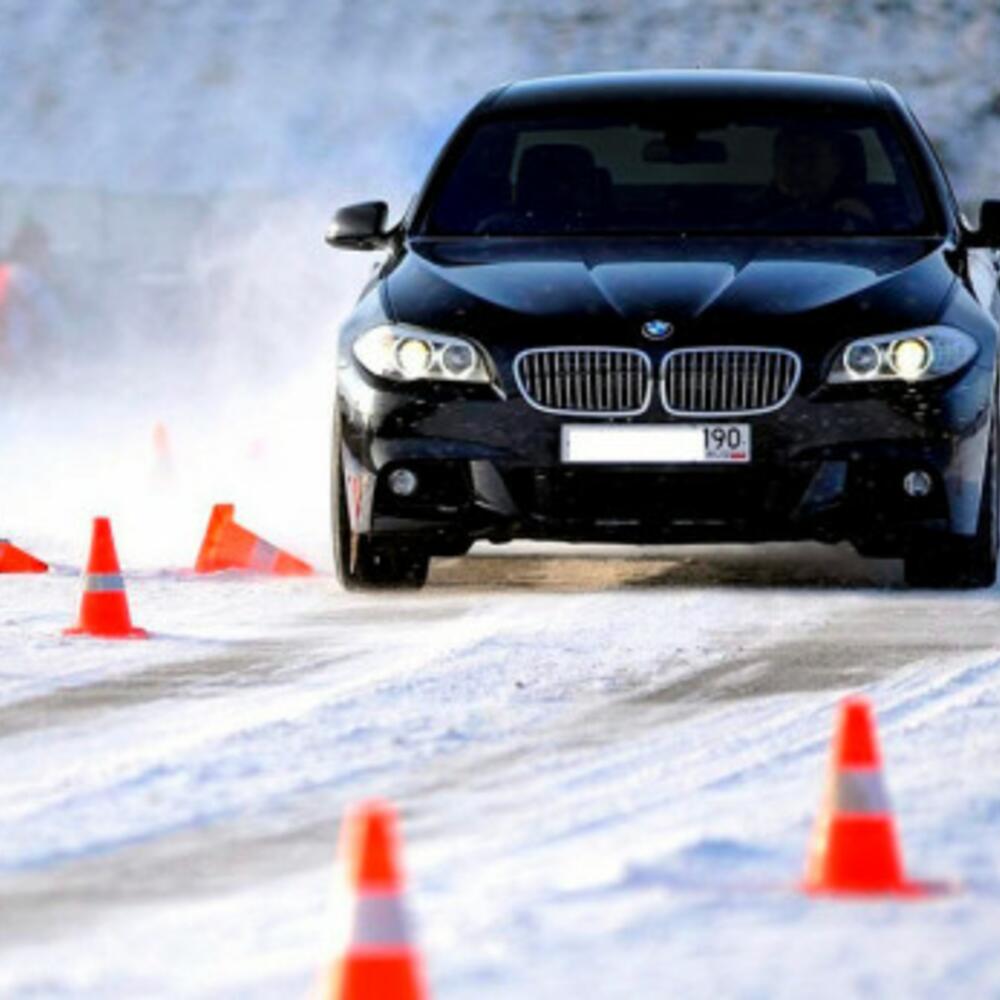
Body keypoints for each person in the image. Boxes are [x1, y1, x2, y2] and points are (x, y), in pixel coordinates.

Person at [764, 127, 876, 231]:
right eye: (790, 157)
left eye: (812, 157)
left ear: (837, 164)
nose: (799, 169)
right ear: (775, 164)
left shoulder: (856, 211)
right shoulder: (757, 211)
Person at [0, 220, 66, 374]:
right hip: (17, 360)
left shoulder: (4, 273)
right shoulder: (27, 278)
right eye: (44, 249)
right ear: (31, 249)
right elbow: (55, 319)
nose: (47, 254)